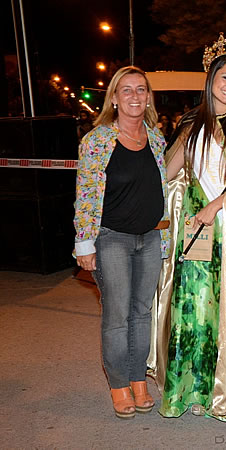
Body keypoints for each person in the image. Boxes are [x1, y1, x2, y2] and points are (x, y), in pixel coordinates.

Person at [156, 30, 226, 431]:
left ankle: (220, 392)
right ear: (211, 79)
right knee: (193, 307)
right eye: (225, 77)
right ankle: (187, 390)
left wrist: (213, 208)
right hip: (194, 232)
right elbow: (166, 176)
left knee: (223, 311)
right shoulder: (190, 124)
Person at [73, 66, 171, 419]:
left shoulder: (156, 138)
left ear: (148, 97)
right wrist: (84, 243)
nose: (134, 96)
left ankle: (138, 380)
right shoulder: (97, 141)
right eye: (126, 90)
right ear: (113, 98)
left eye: (141, 90)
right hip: (111, 239)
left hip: (150, 238)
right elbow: (85, 194)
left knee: (142, 313)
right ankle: (119, 385)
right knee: (117, 316)